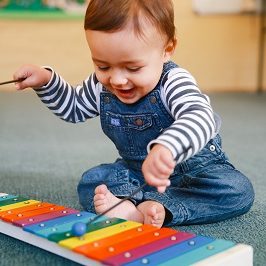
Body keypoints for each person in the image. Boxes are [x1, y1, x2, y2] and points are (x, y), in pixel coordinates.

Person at [14, 0, 254, 228]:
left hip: (196, 173)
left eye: (133, 68)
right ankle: (132, 208)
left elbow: (200, 116)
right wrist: (45, 81)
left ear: (166, 50)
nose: (117, 79)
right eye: (103, 66)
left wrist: (167, 147)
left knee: (237, 191)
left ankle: (158, 206)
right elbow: (74, 108)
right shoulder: (101, 86)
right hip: (137, 174)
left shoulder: (173, 80)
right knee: (92, 180)